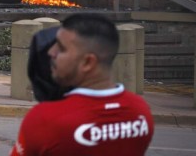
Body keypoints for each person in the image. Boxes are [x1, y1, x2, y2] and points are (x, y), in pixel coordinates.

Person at [10, 13, 154, 156]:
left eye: (61, 48)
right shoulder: (140, 111)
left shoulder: (45, 119)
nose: (51, 52)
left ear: (88, 62)